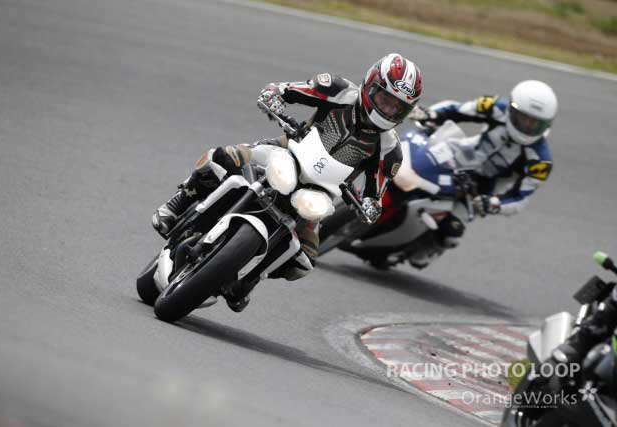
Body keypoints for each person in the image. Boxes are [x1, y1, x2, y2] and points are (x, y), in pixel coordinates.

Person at [151, 53, 423, 310]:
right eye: (385, 99)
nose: (388, 109)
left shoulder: (390, 150)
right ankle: (177, 203)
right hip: (287, 150)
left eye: (396, 107)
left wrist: (370, 206)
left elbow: (376, 191)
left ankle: (250, 279)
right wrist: (274, 96)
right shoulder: (338, 90)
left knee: (304, 261)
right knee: (222, 158)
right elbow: (287, 89)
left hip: (319, 191)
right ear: (371, 85)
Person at [405, 80, 557, 268]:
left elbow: (520, 198)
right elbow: (458, 110)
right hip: (459, 156)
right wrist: (432, 114)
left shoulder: (540, 161)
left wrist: (494, 203)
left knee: (451, 230)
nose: (527, 125)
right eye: (523, 118)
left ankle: (431, 247)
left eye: (535, 123)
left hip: (481, 189)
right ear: (511, 110)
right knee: (411, 161)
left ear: (546, 125)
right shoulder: (495, 107)